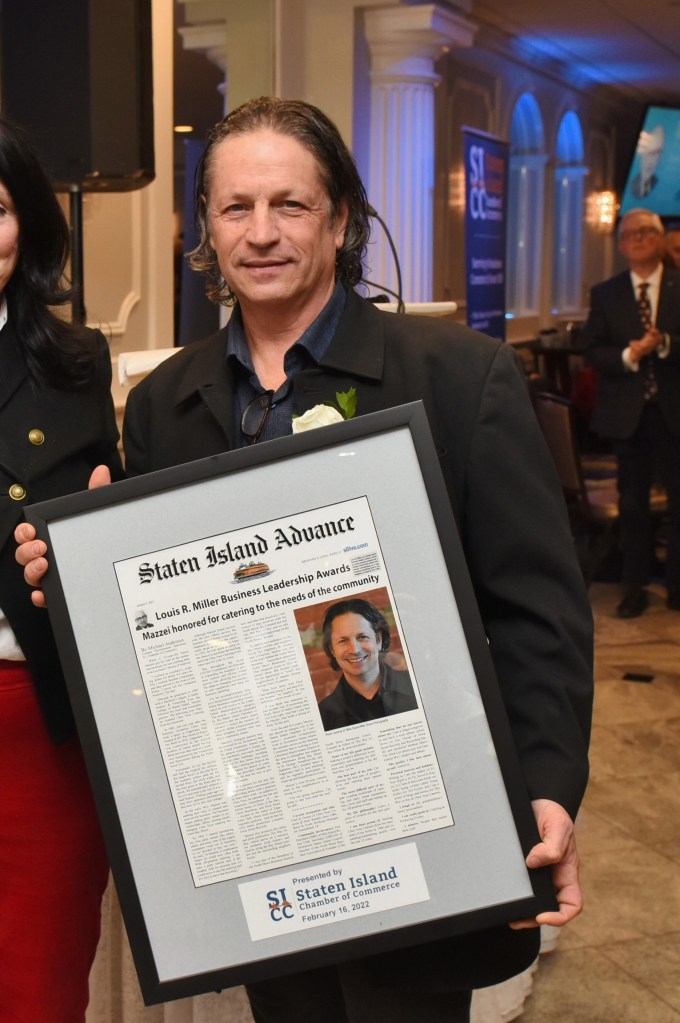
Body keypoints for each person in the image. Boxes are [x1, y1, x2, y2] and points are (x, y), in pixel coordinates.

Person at [17, 97, 592, 1023]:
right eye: (235, 208)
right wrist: (79, 583)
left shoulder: (458, 375)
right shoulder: (164, 403)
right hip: (265, 832)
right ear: (206, 226)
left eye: (290, 204)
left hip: (421, 818)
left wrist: (547, 786)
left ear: (341, 220)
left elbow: (539, 613)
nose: (262, 233)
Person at [0, 116, 124, 1020]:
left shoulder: (77, 363)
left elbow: (114, 521)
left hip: (36, 722)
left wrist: (88, 551)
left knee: (37, 987)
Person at [583, 208, 680, 618]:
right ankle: (634, 586)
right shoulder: (607, 293)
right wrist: (628, 354)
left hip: (673, 410)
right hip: (628, 415)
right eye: (630, 235)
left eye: (646, 232)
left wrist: (664, 344)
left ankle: (676, 586)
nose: (638, 239)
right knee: (634, 504)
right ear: (621, 246)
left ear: (660, 241)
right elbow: (593, 351)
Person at [317, 597, 417, 730]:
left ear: (379, 640)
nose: (355, 650)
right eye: (343, 641)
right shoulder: (323, 717)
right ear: (332, 649)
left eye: (362, 637)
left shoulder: (417, 685)